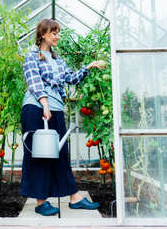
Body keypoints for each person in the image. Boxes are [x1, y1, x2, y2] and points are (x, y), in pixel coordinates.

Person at [20, 19, 106, 216]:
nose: (57, 36)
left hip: (55, 109)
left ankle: (74, 198)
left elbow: (71, 78)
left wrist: (89, 67)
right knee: (39, 155)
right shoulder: (32, 56)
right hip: (36, 108)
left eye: (58, 33)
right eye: (53, 33)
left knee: (60, 153)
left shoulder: (57, 59)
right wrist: (44, 103)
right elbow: (33, 81)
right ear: (42, 34)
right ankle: (41, 202)